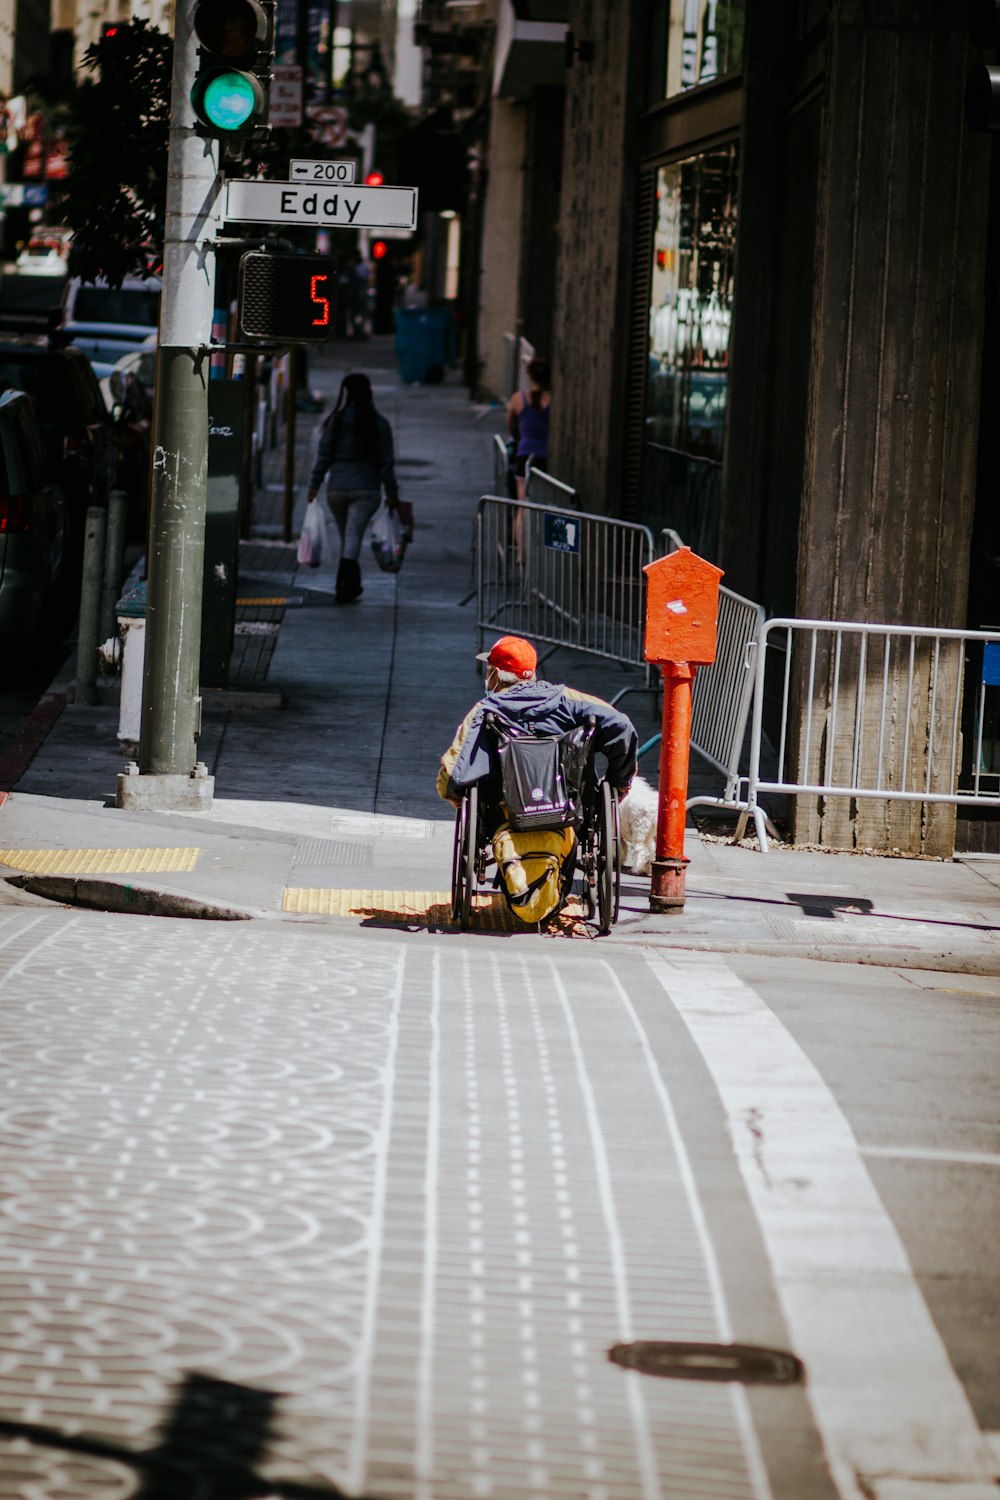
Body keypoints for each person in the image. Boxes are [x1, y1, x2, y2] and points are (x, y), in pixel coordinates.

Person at [438, 635, 637, 921]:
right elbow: (622, 727)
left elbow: (455, 767)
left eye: (489, 670)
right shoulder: (572, 702)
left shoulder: (486, 711)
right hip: (569, 810)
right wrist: (619, 782)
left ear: (497, 675)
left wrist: (453, 794)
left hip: (503, 813)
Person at [306, 372, 400, 604]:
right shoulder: (379, 424)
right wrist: (392, 493)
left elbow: (324, 456)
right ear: (370, 393)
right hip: (366, 489)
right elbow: (386, 463)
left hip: (336, 489)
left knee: (347, 535)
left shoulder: (335, 422)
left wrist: (315, 484)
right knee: (353, 534)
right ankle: (345, 585)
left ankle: (349, 584)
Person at [506, 357, 551, 500]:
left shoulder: (518, 398)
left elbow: (511, 427)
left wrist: (520, 439)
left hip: (524, 452)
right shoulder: (552, 398)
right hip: (545, 455)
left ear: (529, 375)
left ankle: (519, 523)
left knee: (523, 503)